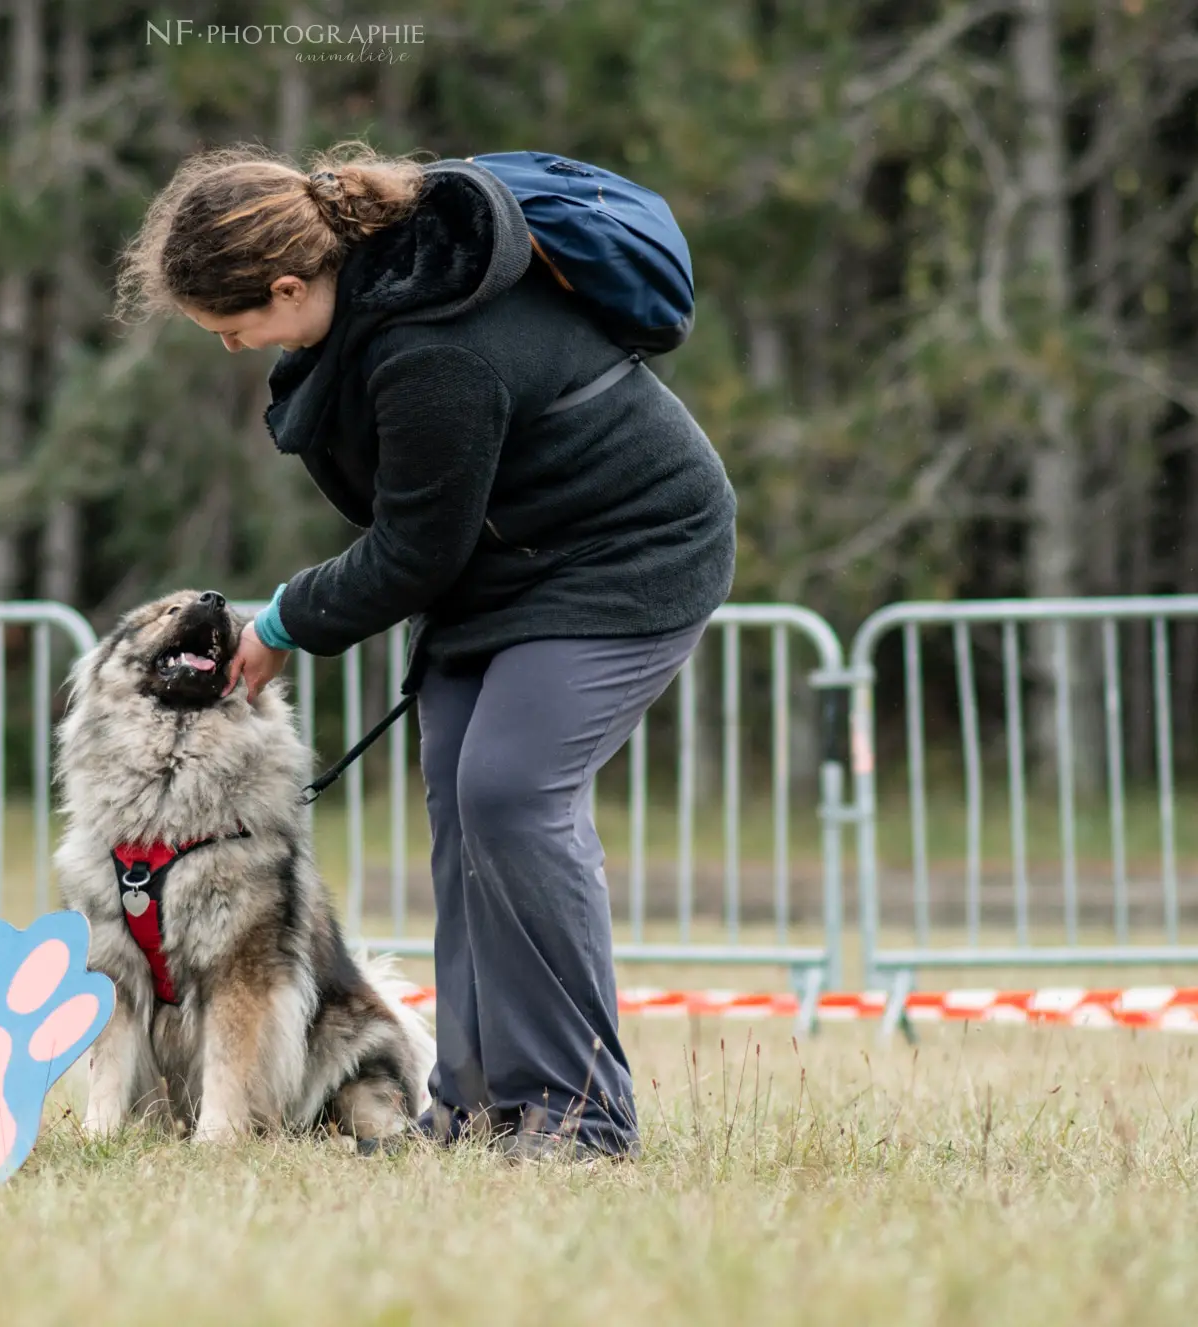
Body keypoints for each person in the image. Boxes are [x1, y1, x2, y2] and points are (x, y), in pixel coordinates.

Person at [112, 141, 736, 1160]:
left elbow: (411, 548)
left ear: (285, 284)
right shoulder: (359, 322)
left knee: (510, 793)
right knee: (459, 799)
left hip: (630, 553)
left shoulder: (428, 348)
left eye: (233, 327)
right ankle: (475, 1105)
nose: (231, 348)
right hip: (504, 569)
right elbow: (428, 535)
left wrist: (275, 625)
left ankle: (575, 1117)